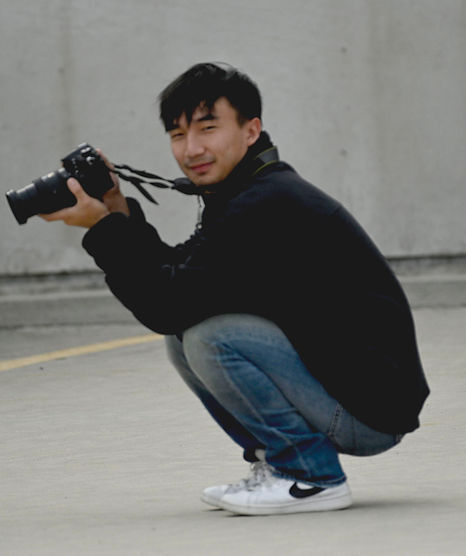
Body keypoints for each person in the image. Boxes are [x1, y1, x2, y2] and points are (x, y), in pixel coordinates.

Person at [40, 62, 428, 515]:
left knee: (209, 335)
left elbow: (165, 303)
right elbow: (178, 278)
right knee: (185, 336)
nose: (192, 149)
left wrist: (104, 231)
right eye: (177, 134)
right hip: (355, 394)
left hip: (368, 412)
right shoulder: (249, 193)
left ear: (250, 130)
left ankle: (311, 475)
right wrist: (117, 212)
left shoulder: (267, 203)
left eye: (208, 128)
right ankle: (279, 465)